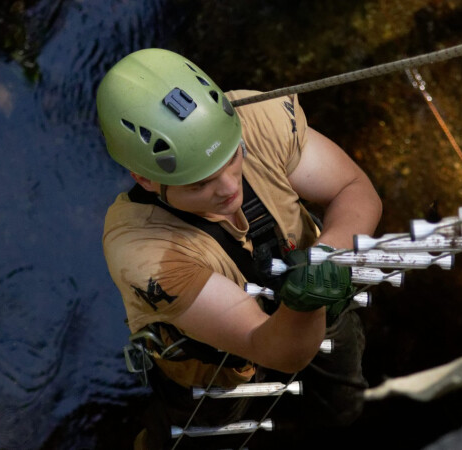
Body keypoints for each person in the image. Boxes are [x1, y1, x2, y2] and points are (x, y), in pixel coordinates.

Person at [97, 48, 382, 449]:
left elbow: (354, 191)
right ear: (144, 180)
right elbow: (270, 347)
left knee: (342, 407)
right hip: (219, 374)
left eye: (234, 157)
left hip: (320, 302)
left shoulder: (257, 117)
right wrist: (309, 300)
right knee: (200, 440)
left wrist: (327, 257)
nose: (230, 188)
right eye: (199, 184)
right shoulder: (142, 253)